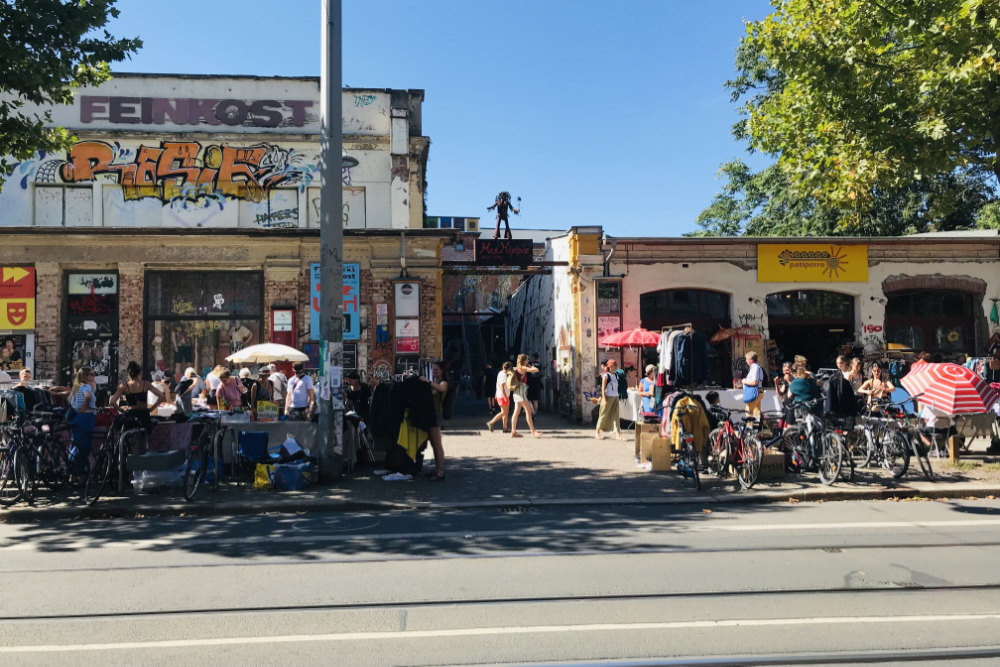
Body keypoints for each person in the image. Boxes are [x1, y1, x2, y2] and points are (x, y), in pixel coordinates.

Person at [109, 361, 164, 434]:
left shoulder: (124, 386)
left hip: (131, 415)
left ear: (128, 374)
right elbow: (161, 396)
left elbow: (112, 402)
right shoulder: (146, 384)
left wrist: (121, 410)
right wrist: (151, 409)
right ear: (139, 373)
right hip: (143, 416)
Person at [67, 366, 96, 479]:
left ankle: (73, 472)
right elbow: (88, 396)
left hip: (77, 417)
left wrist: (76, 407)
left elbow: (69, 399)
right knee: (84, 446)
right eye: (91, 374)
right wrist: (85, 407)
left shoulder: (76, 387)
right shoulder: (86, 387)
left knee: (76, 444)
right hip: (86, 417)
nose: (93, 376)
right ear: (85, 376)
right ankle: (79, 472)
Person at [509, 354, 541, 438]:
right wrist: (529, 366)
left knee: (516, 412)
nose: (528, 360)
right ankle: (533, 432)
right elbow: (536, 370)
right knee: (528, 411)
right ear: (524, 361)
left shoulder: (517, 367)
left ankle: (513, 431)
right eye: (527, 359)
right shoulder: (523, 368)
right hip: (521, 391)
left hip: (516, 391)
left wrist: (528, 365)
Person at [596, 358, 622, 440]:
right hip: (608, 397)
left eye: (615, 365)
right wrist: (604, 399)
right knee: (603, 415)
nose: (614, 367)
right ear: (609, 366)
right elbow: (603, 388)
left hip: (615, 397)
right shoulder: (605, 375)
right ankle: (597, 432)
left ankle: (618, 434)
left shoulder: (616, 375)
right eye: (612, 365)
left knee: (616, 416)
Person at [486, 361, 512, 433]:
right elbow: (502, 387)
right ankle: (491, 422)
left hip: (501, 395)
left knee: (505, 412)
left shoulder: (500, 373)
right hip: (503, 396)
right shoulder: (504, 375)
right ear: (508, 369)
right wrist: (505, 397)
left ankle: (505, 428)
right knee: (504, 412)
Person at [741, 351, 764, 419]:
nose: (746, 361)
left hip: (755, 392)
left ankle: (749, 427)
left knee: (749, 411)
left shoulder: (755, 368)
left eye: (747, 359)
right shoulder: (756, 367)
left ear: (751, 359)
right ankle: (756, 428)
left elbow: (754, 382)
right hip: (758, 391)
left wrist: (745, 381)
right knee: (756, 411)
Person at [428, 360, 449, 428]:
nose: (434, 371)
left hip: (437, 413)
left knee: (435, 437)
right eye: (433, 369)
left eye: (437, 369)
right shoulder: (433, 382)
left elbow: (441, 388)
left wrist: (427, 381)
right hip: (430, 413)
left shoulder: (443, 382)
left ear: (442, 371)